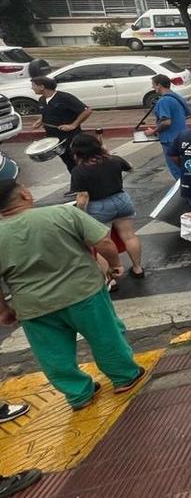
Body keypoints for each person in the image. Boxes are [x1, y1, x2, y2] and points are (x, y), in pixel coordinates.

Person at [0, 179, 146, 409]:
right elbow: (103, 241)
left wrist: (4, 310)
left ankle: (78, 394)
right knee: (105, 336)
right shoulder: (61, 214)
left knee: (53, 354)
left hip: (33, 306)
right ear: (25, 195)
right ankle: (124, 376)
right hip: (83, 293)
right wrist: (115, 263)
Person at [69, 134, 145, 280]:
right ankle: (138, 268)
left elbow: (83, 196)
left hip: (98, 206)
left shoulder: (79, 171)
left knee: (102, 243)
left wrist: (79, 214)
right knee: (129, 236)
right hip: (121, 200)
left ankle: (110, 278)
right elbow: (131, 168)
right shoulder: (113, 160)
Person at [29, 76, 91, 173]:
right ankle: (77, 182)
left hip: (70, 137)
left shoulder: (65, 97)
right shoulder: (42, 99)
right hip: (54, 139)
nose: (32, 88)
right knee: (67, 162)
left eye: (33, 86)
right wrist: (40, 120)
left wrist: (73, 125)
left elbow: (87, 111)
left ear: (42, 86)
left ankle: (88, 182)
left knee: (77, 161)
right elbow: (47, 111)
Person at [142, 74, 191, 180]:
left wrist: (153, 131)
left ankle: (183, 191)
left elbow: (166, 122)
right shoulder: (176, 97)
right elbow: (189, 114)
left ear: (159, 85)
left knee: (176, 170)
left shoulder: (164, 101)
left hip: (170, 140)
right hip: (183, 137)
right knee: (186, 167)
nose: (153, 87)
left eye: (153, 85)